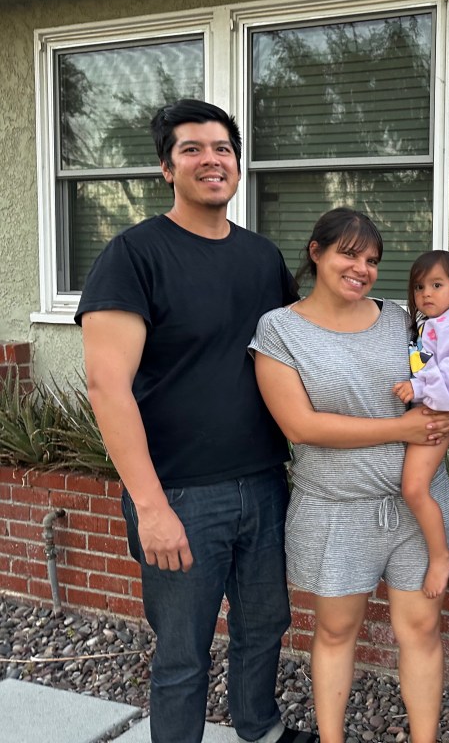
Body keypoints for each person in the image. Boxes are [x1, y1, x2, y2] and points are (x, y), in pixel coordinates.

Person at [77, 99, 315, 743]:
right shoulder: (133, 256)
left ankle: (259, 726)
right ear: (167, 168)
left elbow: (303, 349)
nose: (212, 160)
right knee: (183, 652)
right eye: (192, 149)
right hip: (179, 493)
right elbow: (107, 387)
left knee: (264, 625)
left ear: (237, 164)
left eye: (222, 149)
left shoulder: (261, 257)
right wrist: (150, 506)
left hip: (263, 481)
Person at [248, 209, 449, 743]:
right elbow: (300, 426)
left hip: (420, 507)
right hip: (337, 510)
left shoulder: (402, 318)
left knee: (421, 629)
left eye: (372, 260)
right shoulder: (279, 329)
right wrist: (402, 429)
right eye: (349, 254)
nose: (362, 268)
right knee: (335, 630)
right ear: (316, 252)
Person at [392, 250, 449, 598]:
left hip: (434, 415)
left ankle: (440, 555)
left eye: (436, 285)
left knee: (414, 488)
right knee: (413, 487)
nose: (426, 294)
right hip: (428, 410)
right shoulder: (435, 323)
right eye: (419, 287)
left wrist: (418, 388)